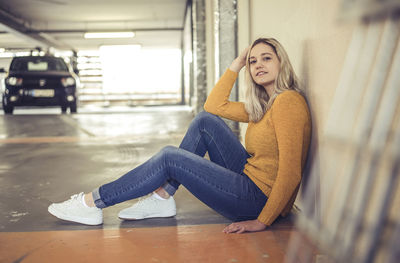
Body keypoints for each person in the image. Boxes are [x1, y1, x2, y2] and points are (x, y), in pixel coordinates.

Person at [48, 37, 311, 234]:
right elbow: (213, 106)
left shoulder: (288, 102)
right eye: (253, 61)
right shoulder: (265, 106)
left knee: (169, 157)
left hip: (256, 199)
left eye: (267, 58)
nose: (258, 65)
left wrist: (262, 220)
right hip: (249, 178)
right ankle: (163, 198)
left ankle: (92, 203)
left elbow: (291, 171)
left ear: (281, 62)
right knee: (204, 121)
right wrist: (236, 64)